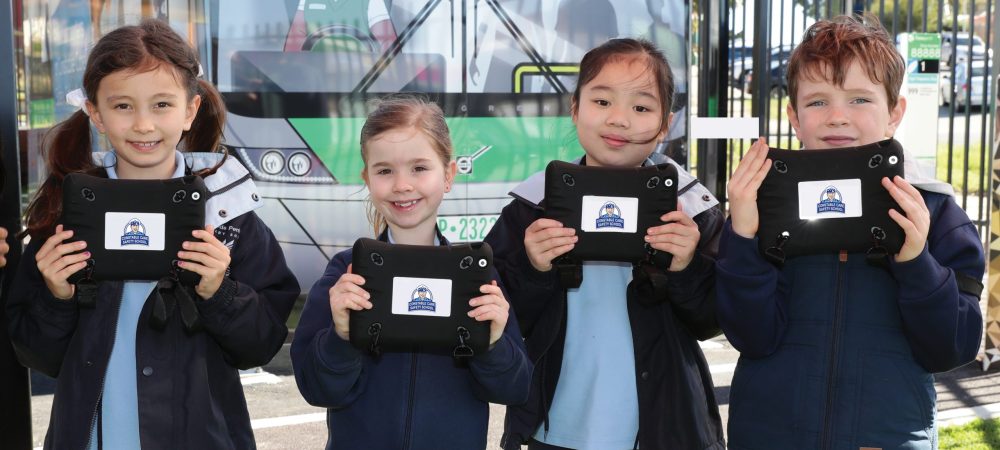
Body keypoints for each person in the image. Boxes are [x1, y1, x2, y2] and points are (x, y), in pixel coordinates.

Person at [7, 19, 300, 450]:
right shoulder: (64, 220)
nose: (143, 124)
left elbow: (262, 343)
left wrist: (220, 291)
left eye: (161, 104)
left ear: (190, 110)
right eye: (123, 106)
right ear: (95, 114)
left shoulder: (231, 219)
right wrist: (56, 296)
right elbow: (36, 355)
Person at [718, 14, 984, 449]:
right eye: (817, 101)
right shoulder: (762, 210)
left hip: (889, 437)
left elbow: (950, 349)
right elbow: (750, 335)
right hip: (769, 436)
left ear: (894, 112)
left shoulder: (936, 212)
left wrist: (916, 261)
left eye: (860, 99)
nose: (837, 117)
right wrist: (744, 238)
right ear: (794, 116)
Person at [485, 38, 725, 450]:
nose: (619, 120)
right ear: (575, 108)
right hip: (553, 428)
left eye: (641, 107)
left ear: (665, 124)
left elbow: (714, 319)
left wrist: (687, 268)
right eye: (602, 102)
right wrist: (532, 267)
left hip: (665, 429)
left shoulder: (690, 209)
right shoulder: (532, 208)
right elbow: (498, 318)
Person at [290, 96, 532, 450]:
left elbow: (514, 388)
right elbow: (318, 388)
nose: (402, 185)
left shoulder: (475, 277)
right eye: (385, 170)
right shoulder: (347, 274)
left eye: (420, 168)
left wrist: (493, 343)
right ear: (367, 179)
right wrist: (341, 337)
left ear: (448, 175)